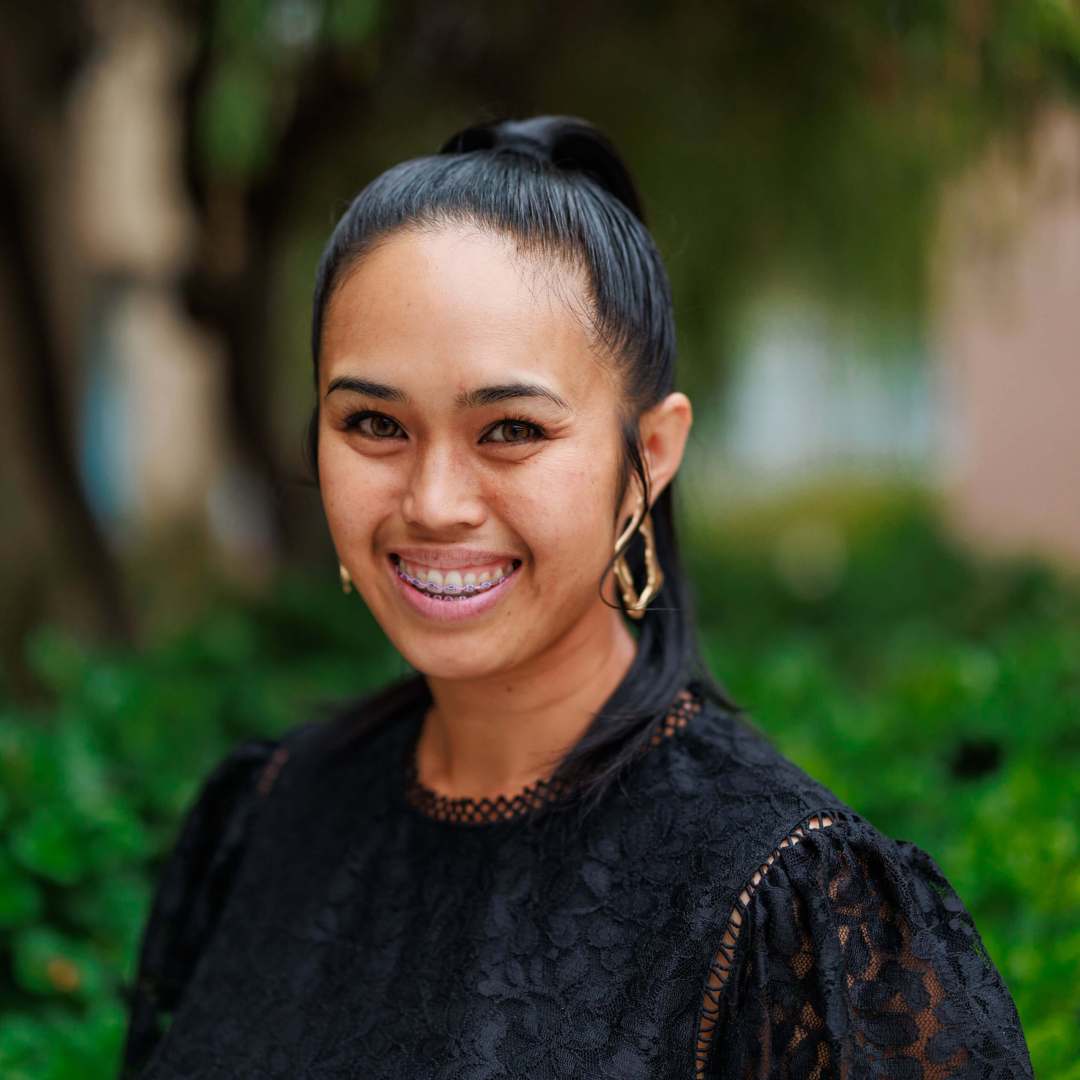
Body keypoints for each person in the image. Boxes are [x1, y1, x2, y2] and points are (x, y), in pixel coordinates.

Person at [120, 115, 1033, 1079]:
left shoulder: (789, 902)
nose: (433, 503)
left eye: (511, 429)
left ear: (651, 455)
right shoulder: (269, 816)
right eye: (374, 423)